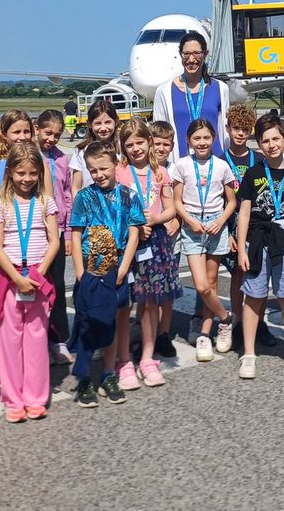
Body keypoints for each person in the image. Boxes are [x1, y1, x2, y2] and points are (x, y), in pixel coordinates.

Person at [0, 142, 60, 422]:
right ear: (10, 174)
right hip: (9, 278)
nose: (27, 179)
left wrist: (38, 274)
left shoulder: (45, 202)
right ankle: (13, 398)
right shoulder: (1, 205)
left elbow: (54, 241)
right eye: (20, 173)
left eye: (32, 173)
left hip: (38, 277)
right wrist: (16, 277)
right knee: (9, 339)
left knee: (37, 337)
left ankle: (36, 397)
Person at [67, 141, 145, 407]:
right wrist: (80, 272)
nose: (99, 174)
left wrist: (124, 267)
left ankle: (109, 372)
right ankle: (85, 377)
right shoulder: (84, 197)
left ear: (116, 165)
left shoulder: (129, 195)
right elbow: (76, 234)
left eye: (103, 168)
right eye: (93, 170)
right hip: (91, 266)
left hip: (118, 265)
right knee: (88, 321)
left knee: (111, 320)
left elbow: (135, 230)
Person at [235, 112, 284, 379]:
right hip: (257, 242)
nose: (271, 144)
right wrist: (243, 249)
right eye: (265, 140)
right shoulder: (254, 173)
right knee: (254, 297)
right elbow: (244, 212)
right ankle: (248, 353)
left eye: (276, 138)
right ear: (259, 144)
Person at [116, 119, 180, 388]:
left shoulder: (160, 173)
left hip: (155, 241)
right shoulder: (120, 172)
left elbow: (171, 208)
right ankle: (123, 360)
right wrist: (134, 226)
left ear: (149, 142)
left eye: (140, 142)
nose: (135, 148)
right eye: (129, 144)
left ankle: (147, 357)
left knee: (150, 301)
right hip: (128, 241)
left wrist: (153, 221)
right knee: (125, 304)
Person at [169, 118, 238, 361]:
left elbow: (231, 201)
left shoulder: (221, 166)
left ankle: (205, 334)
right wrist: (189, 220)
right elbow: (177, 200)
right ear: (188, 140)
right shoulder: (181, 165)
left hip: (215, 225)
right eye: (196, 138)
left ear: (214, 139)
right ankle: (226, 318)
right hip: (193, 227)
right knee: (200, 286)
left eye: (206, 138)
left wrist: (221, 222)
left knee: (211, 282)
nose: (202, 142)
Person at [0, 110, 36, 383]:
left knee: (27, 303)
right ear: (4, 135)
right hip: (2, 244)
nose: (22, 137)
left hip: (29, 246)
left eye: (27, 132)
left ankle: (24, 353)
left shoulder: (35, 165)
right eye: (16, 132)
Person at [218, 105, 276, 349]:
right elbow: (219, 200)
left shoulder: (260, 158)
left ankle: (259, 323)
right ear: (228, 129)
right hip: (233, 225)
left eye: (245, 129)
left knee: (258, 275)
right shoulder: (220, 161)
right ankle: (239, 323)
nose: (240, 133)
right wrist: (227, 233)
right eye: (236, 129)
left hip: (258, 225)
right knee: (237, 276)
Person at [152, 31, 231, 162]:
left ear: (205, 54)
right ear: (180, 55)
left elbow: (226, 129)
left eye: (196, 53)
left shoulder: (221, 88)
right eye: (186, 54)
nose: (191, 59)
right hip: (180, 165)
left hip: (214, 164)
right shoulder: (164, 91)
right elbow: (159, 133)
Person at [35, 110, 75, 364]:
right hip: (35, 230)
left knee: (58, 286)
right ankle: (38, 338)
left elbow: (68, 196)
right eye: (47, 133)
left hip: (58, 230)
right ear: (37, 128)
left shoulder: (62, 160)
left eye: (57, 135)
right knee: (37, 286)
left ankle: (59, 339)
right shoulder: (29, 156)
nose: (51, 139)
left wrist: (69, 232)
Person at [148, 120, 182, 358]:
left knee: (167, 290)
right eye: (157, 143)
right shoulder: (142, 168)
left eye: (166, 144)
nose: (161, 148)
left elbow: (183, 201)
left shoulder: (176, 170)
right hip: (148, 238)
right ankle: (147, 330)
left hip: (171, 236)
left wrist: (178, 221)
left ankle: (164, 333)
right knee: (148, 290)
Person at [71, 98, 119, 191]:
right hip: (90, 203)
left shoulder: (123, 148)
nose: (103, 128)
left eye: (107, 122)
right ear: (89, 124)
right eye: (98, 123)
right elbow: (76, 187)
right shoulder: (81, 151)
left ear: (116, 121)